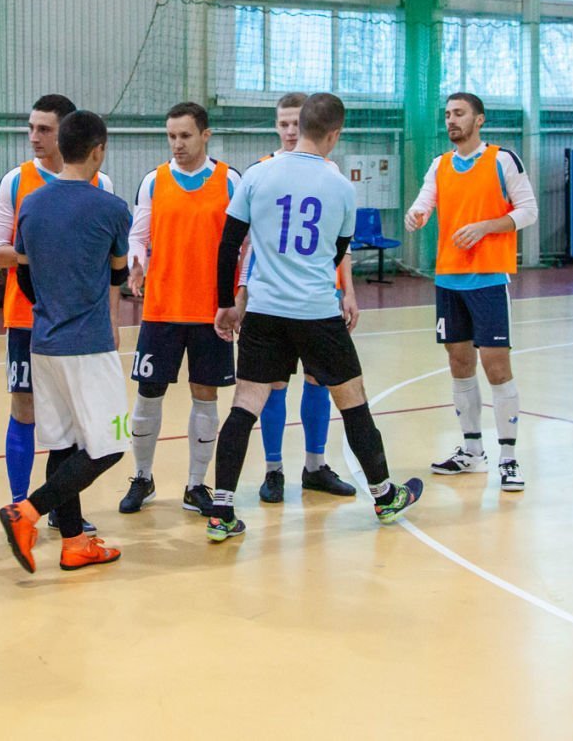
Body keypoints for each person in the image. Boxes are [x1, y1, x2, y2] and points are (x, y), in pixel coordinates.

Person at [205, 93, 422, 542]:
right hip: (317, 311)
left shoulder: (258, 174)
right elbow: (339, 252)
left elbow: (229, 245)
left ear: (298, 125)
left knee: (245, 404)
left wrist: (226, 302)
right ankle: (384, 496)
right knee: (353, 400)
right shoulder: (341, 186)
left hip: (264, 309)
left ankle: (221, 510)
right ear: (334, 134)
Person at [0, 111, 130, 573]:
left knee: (64, 445)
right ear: (98, 151)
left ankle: (74, 543)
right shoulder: (111, 208)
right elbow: (119, 273)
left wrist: (50, 306)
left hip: (43, 342)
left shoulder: (31, 204)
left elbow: (24, 274)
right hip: (88, 345)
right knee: (109, 445)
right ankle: (27, 512)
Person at [404, 92, 537, 491]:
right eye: (447, 114)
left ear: (479, 119)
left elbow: (528, 211)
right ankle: (472, 451)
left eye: (459, 113)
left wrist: (485, 227)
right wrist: (416, 215)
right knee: (459, 362)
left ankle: (509, 458)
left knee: (496, 366)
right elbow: (424, 202)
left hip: (489, 278)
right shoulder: (440, 165)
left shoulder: (502, 160)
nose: (451, 120)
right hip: (449, 279)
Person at [119, 102, 238, 515]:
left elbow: (245, 245)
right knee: (148, 394)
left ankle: (195, 484)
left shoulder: (230, 181)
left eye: (185, 135)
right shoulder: (154, 181)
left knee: (205, 396)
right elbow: (138, 236)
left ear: (205, 135)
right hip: (162, 309)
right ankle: (142, 477)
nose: (177, 144)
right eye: (171, 136)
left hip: (211, 312)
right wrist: (137, 263)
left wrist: (238, 297)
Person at [242, 92, 357, 503]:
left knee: (318, 379)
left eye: (296, 123)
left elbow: (340, 243)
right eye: (284, 124)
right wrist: (241, 292)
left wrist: (347, 290)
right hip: (272, 299)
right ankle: (273, 470)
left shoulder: (330, 173)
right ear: (276, 127)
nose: (291, 131)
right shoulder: (263, 172)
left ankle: (315, 466)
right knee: (273, 383)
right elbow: (247, 244)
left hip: (317, 296)